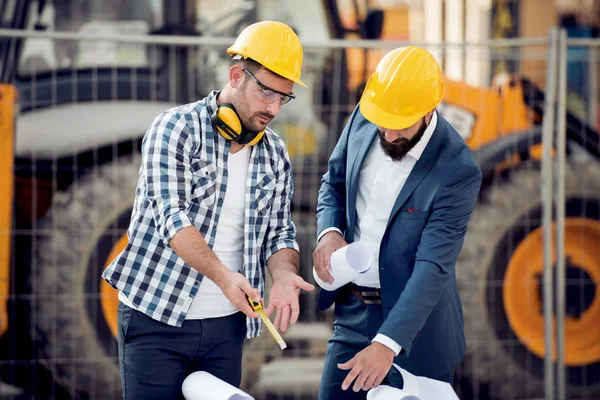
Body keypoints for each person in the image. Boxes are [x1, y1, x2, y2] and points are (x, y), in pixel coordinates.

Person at [102, 21, 314, 399]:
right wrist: (223, 277)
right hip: (156, 317)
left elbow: (280, 232)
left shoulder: (276, 153)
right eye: (267, 93)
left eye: (284, 98)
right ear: (237, 75)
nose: (274, 107)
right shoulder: (175, 128)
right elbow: (172, 217)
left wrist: (283, 273)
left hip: (225, 329)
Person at [313, 46, 482, 399]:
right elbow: (334, 181)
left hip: (416, 335)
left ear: (428, 110)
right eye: (382, 122)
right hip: (353, 311)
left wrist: (388, 344)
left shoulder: (457, 169)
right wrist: (329, 232)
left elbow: (432, 266)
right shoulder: (366, 114)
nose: (388, 134)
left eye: (400, 126)